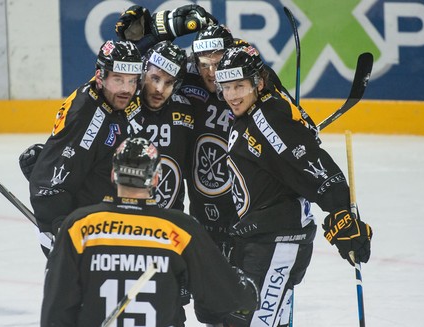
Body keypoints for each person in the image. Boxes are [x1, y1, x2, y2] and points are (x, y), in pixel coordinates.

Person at [214, 44, 373, 327]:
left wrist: (340, 212)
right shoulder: (252, 114)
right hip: (260, 243)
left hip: (276, 245)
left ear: (257, 84)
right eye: (226, 87)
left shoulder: (266, 120)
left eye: (239, 86)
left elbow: (313, 165)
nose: (232, 96)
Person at [40, 137, 259, 327]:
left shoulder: (80, 225)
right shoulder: (179, 229)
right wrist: (245, 290)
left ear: (113, 175)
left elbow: (56, 309)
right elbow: (223, 297)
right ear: (155, 179)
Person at [25, 40, 144, 252]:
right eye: (118, 80)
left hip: (99, 226)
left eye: (132, 81)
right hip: (78, 237)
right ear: (101, 77)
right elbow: (52, 183)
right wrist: (61, 227)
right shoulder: (88, 117)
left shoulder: (106, 99)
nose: (127, 89)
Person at [180, 24, 238, 257]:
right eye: (205, 64)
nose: (212, 72)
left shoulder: (247, 83)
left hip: (246, 210)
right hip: (202, 206)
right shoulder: (186, 77)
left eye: (218, 63)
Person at [133, 40, 194, 211]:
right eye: (155, 78)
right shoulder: (123, 107)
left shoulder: (186, 110)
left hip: (171, 223)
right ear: (144, 72)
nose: (160, 89)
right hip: (129, 223)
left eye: (169, 82)